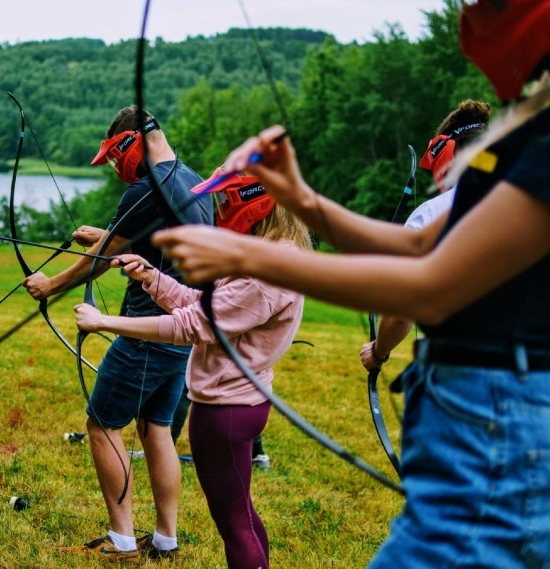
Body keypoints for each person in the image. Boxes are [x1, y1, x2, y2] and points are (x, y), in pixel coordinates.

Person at [152, 2, 550, 566]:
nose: (471, 16)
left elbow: (428, 286)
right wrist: (303, 200)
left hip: (499, 418)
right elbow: (417, 246)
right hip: (471, 412)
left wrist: (251, 254)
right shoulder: (524, 135)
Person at [75, 169, 312, 568]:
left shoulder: (264, 273)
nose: (218, 210)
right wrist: (151, 277)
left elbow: (192, 326)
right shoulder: (269, 256)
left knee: (234, 521)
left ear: (249, 204)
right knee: (240, 513)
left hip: (227, 411)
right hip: (237, 402)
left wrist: (105, 322)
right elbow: (204, 306)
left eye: (224, 201)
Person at [22, 105, 212, 562]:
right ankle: (165, 538)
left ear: (130, 145)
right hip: (184, 334)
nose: (113, 168)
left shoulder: (145, 190)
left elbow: (104, 259)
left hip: (146, 328)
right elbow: (140, 240)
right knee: (156, 427)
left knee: (103, 422)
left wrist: (50, 285)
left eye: (113, 156)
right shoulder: (195, 181)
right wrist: (107, 235)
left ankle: (122, 538)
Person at [359, 99, 492, 372]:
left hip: (455, 376)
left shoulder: (430, 215)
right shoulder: (530, 203)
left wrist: (378, 352)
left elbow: (400, 313)